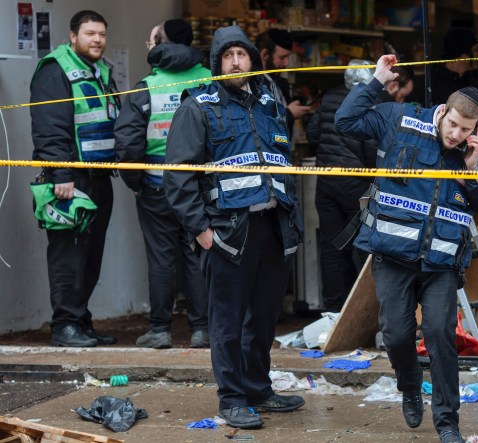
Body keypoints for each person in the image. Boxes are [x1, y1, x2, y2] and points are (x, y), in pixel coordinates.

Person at [335, 54, 478, 443]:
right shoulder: (399, 119)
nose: (457, 134)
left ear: (477, 128)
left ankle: (448, 423)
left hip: (442, 263)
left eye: (467, 129)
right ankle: (410, 387)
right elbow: (346, 121)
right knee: (395, 334)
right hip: (393, 256)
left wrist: (474, 169)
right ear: (443, 112)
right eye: (454, 125)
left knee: (441, 335)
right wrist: (376, 82)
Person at [163, 25, 304, 429]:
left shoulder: (268, 103)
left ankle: (258, 388)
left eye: (242, 54)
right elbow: (178, 178)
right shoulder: (197, 106)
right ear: (217, 63)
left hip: (272, 228)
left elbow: (284, 165)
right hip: (227, 232)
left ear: (252, 60)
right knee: (226, 322)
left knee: (263, 318)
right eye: (228, 56)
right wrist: (202, 231)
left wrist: (290, 221)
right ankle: (232, 399)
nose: (236, 62)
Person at [114, 19, 211, 349]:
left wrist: (135, 183)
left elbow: (128, 145)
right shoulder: (212, 80)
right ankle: (202, 330)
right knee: (198, 253)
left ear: (162, 45)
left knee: (161, 259)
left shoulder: (147, 86)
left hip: (156, 187)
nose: (148, 45)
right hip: (200, 185)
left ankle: (159, 330)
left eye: (150, 40)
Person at [30, 10, 119, 347]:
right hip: (70, 180)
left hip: (97, 177)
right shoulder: (56, 69)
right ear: (72, 36)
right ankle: (65, 325)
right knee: (68, 255)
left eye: (101, 34)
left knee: (90, 255)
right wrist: (60, 173)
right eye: (90, 33)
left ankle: (79, 321)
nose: (97, 40)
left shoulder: (98, 69)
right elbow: (50, 126)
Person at [306, 61, 414, 311]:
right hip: (358, 185)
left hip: (326, 182)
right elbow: (371, 148)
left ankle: (333, 309)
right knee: (364, 247)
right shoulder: (374, 100)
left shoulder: (331, 96)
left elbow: (313, 133)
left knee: (333, 247)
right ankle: (361, 311)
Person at [255, 29, 311, 123]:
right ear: (265, 55)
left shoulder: (278, 82)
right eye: (282, 57)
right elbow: (259, 124)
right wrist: (289, 114)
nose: (287, 63)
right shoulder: (252, 85)